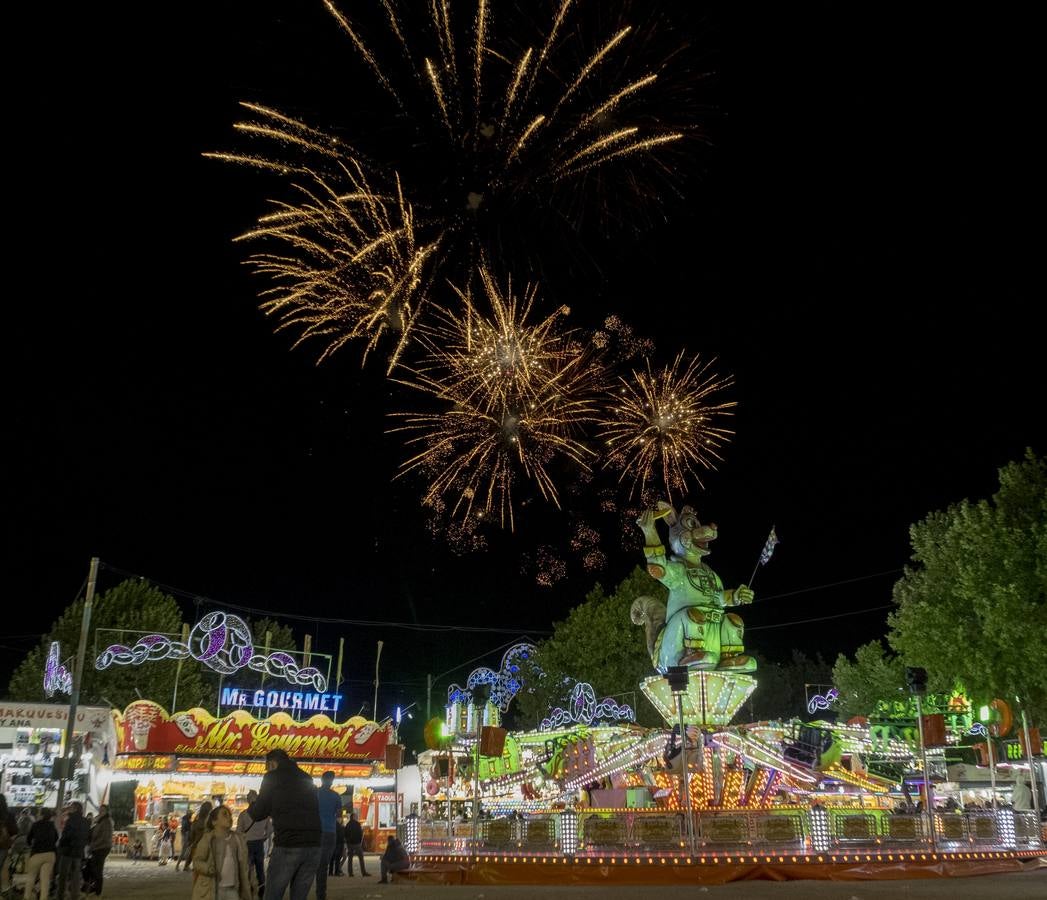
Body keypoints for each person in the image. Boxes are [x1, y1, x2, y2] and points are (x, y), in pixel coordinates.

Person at [243, 749, 321, 900]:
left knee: (273, 894)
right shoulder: (306, 777)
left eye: (267, 767)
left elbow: (258, 813)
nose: (266, 770)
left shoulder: (272, 777)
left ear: (272, 763)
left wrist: (253, 802)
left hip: (288, 844)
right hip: (314, 846)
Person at [192, 805, 256, 900]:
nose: (229, 817)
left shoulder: (238, 839)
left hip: (233, 889)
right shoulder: (208, 839)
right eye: (224, 814)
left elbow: (245, 866)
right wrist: (207, 868)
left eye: (230, 815)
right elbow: (197, 861)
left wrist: (252, 886)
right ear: (214, 822)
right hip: (212, 889)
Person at [237, 790, 272, 898]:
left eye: (248, 797)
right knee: (260, 869)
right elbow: (270, 829)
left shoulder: (243, 815)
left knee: (247, 869)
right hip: (259, 844)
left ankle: (249, 891)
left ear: (249, 800)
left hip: (248, 844)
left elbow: (239, 832)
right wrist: (264, 838)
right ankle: (261, 891)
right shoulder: (264, 815)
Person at [54, 801, 90, 900]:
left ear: (75, 809)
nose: (69, 809)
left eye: (71, 807)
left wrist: (61, 844)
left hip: (68, 851)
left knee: (63, 875)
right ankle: (75, 895)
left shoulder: (71, 820)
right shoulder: (86, 821)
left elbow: (66, 835)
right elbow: (87, 836)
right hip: (79, 852)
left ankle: (60, 895)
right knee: (76, 876)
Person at [315, 772, 340, 900]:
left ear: (321, 780)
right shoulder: (336, 796)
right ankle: (321, 894)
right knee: (323, 866)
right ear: (331, 781)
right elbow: (339, 815)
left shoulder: (314, 794)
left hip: (315, 832)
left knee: (310, 864)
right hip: (330, 832)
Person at [23, 807, 57, 900]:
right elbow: (56, 838)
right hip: (50, 854)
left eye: (38, 813)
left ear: (41, 815)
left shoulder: (36, 825)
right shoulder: (52, 825)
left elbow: (29, 839)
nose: (37, 814)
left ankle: (27, 897)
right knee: (45, 880)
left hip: (37, 854)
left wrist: (31, 845)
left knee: (31, 877)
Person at [85, 803, 113, 895]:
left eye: (102, 810)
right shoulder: (100, 820)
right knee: (94, 867)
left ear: (106, 811)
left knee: (97, 868)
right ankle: (95, 887)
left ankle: (97, 890)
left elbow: (104, 837)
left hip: (101, 847)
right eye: (100, 810)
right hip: (98, 846)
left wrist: (93, 845)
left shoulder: (106, 821)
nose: (100, 811)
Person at [182, 801, 213, 873]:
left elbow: (192, 833)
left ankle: (187, 866)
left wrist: (191, 842)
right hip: (206, 846)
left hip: (196, 845)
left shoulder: (197, 820)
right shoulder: (210, 821)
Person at [344, 812, 368, 877]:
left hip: (350, 844)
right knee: (361, 857)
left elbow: (345, 834)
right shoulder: (357, 824)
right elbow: (360, 833)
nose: (357, 817)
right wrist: (360, 842)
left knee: (350, 858)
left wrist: (348, 841)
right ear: (354, 817)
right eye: (356, 816)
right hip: (356, 843)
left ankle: (350, 873)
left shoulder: (347, 824)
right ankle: (363, 872)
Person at [330, 811, 345, 877]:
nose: (340, 819)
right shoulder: (339, 826)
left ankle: (331, 872)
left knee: (332, 859)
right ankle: (336, 872)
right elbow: (341, 835)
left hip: (335, 843)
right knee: (337, 859)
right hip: (338, 843)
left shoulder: (334, 824)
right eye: (340, 818)